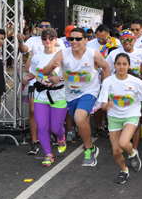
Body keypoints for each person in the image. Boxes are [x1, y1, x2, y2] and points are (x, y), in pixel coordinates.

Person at [42, 27, 110, 167]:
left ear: (86, 40)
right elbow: (45, 71)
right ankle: (91, 148)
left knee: (79, 118)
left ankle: (88, 149)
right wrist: (53, 66)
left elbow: (106, 67)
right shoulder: (62, 53)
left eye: (78, 38)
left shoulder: (93, 54)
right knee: (81, 121)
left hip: (90, 92)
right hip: (71, 95)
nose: (74, 41)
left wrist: (106, 89)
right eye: (71, 39)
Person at [99, 53, 142, 183]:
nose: (121, 67)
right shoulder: (107, 81)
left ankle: (132, 153)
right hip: (114, 117)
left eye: (124, 64)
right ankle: (124, 170)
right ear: (114, 65)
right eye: (118, 64)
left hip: (131, 115)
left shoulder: (135, 81)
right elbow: (102, 104)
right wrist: (106, 106)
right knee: (116, 151)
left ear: (129, 66)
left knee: (123, 143)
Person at [24, 29, 68, 167]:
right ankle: (48, 154)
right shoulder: (37, 57)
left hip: (59, 95)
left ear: (56, 39)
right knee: (42, 127)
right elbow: (32, 72)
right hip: (41, 95)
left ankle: (61, 136)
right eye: (44, 38)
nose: (47, 40)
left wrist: (59, 77)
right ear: (41, 40)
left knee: (56, 128)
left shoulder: (63, 56)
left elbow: (72, 75)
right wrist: (27, 78)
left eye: (51, 38)